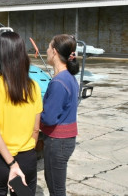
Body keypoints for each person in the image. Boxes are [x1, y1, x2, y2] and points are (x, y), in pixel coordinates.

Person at [0, 32, 43, 196]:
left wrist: (12, 163)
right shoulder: (33, 87)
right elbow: (36, 129)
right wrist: (26, 156)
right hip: (26, 159)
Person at [41, 34, 80, 196]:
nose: (47, 50)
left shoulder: (59, 82)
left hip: (58, 142)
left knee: (56, 189)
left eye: (49, 47)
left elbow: (49, 118)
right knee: (56, 185)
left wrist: (33, 113)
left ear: (55, 52)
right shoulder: (68, 77)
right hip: (65, 141)